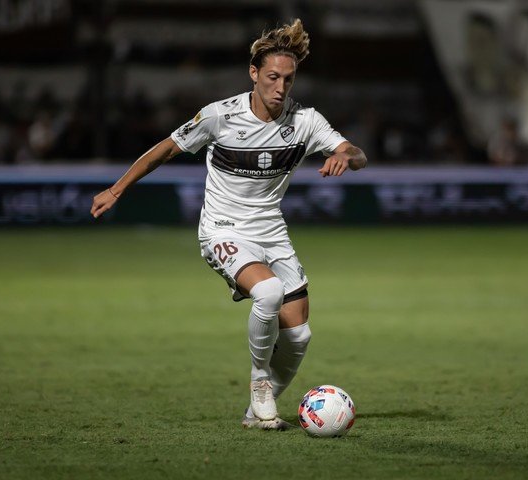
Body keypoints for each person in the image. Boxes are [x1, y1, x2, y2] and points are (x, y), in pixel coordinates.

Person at [90, 19, 367, 430]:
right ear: (253, 73)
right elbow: (165, 149)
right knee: (269, 292)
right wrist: (117, 189)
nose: (280, 87)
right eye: (272, 77)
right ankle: (259, 384)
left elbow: (355, 151)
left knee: (300, 337)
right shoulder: (220, 116)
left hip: (271, 232)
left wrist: (348, 157)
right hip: (223, 229)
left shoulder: (305, 121)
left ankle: (255, 414)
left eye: (288, 79)